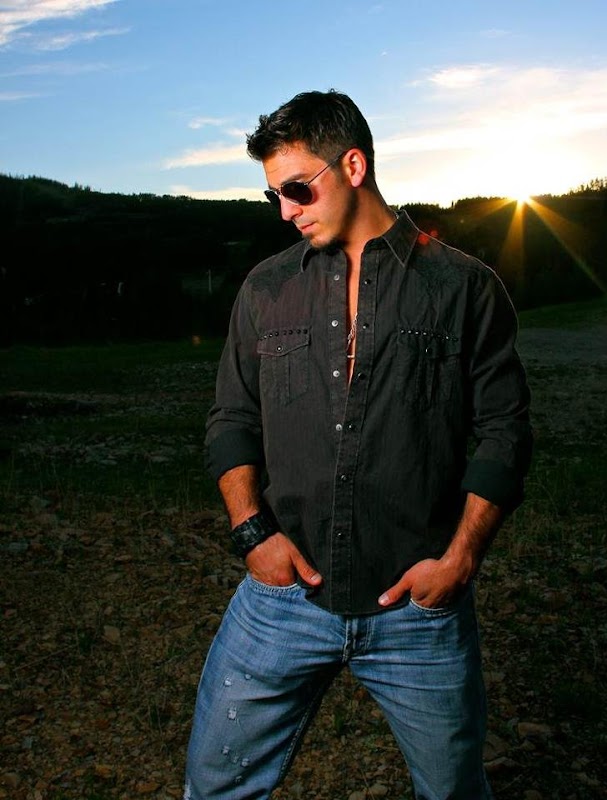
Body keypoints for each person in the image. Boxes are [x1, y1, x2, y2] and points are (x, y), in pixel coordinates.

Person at [184, 89, 532, 800]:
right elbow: (231, 419)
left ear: (352, 166)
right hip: (283, 600)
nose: (285, 211)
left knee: (454, 792)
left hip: (417, 612)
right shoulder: (264, 290)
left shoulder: (464, 289)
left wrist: (460, 561)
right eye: (273, 195)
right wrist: (253, 535)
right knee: (214, 787)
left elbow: (505, 430)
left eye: (296, 188)